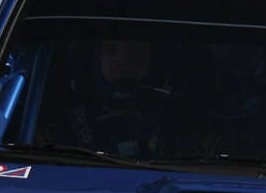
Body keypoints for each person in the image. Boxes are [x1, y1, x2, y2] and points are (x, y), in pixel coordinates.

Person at [41, 39, 171, 157]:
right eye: (111, 49)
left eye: (137, 51)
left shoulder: (175, 125)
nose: (123, 61)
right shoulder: (59, 127)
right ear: (92, 59)